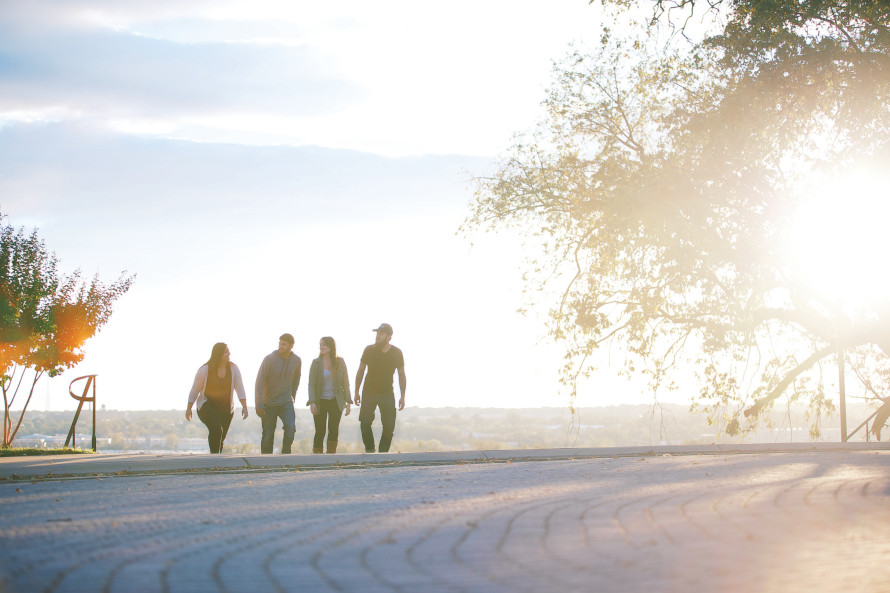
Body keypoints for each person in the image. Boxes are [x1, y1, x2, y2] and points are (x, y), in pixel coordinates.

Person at [185, 342, 248, 454]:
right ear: (218, 354)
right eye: (226, 351)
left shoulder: (233, 368)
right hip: (207, 406)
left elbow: (240, 387)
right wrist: (189, 408)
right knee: (217, 430)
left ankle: (217, 462)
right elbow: (194, 389)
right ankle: (214, 458)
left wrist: (244, 406)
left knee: (220, 438)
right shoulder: (205, 369)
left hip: (226, 409)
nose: (229, 353)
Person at [354, 323, 406, 453]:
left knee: (389, 427)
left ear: (389, 336)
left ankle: (382, 455)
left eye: (381, 334)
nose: (378, 336)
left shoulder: (396, 352)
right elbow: (360, 371)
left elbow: (401, 374)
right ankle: (370, 450)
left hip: (387, 393)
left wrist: (403, 396)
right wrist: (356, 392)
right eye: (377, 334)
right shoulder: (369, 350)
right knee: (365, 423)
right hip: (368, 392)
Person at [255, 333, 302, 454]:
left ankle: (285, 455)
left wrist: (293, 397)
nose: (281, 346)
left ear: (291, 346)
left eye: (284, 344)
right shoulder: (269, 359)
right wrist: (259, 404)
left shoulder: (296, 360)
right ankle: (266, 463)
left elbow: (297, 379)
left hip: (286, 401)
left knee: (291, 428)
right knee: (267, 435)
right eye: (280, 343)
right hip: (268, 402)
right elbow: (259, 382)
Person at [307, 336, 352, 454]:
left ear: (331, 347)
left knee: (333, 429)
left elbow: (345, 383)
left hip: (336, 400)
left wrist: (348, 402)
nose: (321, 347)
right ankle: (317, 457)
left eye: (324, 345)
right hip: (320, 401)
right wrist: (312, 402)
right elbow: (311, 384)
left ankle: (331, 455)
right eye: (320, 344)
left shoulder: (340, 362)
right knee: (320, 430)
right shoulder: (315, 363)